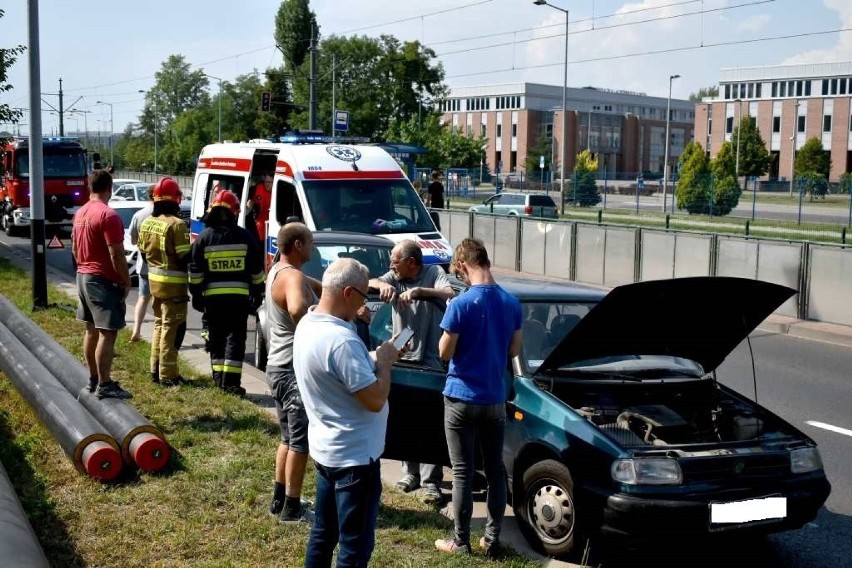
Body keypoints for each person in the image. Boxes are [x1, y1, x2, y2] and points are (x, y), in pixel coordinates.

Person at [293, 258, 404, 568]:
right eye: (363, 295)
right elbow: (374, 400)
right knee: (354, 549)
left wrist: (380, 356)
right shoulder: (341, 339)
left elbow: (339, 367)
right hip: (355, 460)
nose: (364, 303)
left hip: (328, 452)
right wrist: (383, 364)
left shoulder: (310, 322)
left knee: (323, 534)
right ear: (348, 293)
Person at [434, 238, 522, 557]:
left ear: (462, 266)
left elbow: (445, 351)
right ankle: (492, 538)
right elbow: (514, 350)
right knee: (495, 469)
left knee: (462, 471)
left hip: (460, 397)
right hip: (494, 399)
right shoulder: (511, 302)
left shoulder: (461, 303)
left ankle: (460, 542)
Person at [369, 239, 455, 505]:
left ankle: (432, 482)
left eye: (395, 261)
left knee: (429, 420)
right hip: (402, 353)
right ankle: (411, 473)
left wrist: (419, 291)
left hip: (429, 358)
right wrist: (382, 285)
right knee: (406, 415)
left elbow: (450, 293)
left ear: (411, 263)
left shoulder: (433, 273)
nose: (391, 266)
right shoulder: (394, 276)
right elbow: (371, 281)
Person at [265, 222, 322, 524]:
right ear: (298, 245)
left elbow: (307, 285)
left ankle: (280, 499)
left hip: (277, 366)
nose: (312, 247)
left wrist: (326, 291)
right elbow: (299, 310)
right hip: (291, 370)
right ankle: (292, 508)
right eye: (310, 242)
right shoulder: (293, 277)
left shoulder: (279, 271)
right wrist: (326, 317)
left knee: (287, 438)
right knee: (300, 442)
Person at [188, 190, 265, 397]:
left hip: (212, 301)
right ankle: (231, 385)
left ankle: (218, 381)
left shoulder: (204, 238)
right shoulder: (245, 237)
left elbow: (195, 272)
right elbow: (257, 271)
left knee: (216, 339)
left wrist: (196, 295)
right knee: (235, 339)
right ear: (235, 212)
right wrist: (257, 293)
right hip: (238, 301)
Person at [71, 169, 133, 400]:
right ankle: (105, 385)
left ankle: (93, 379)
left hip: (82, 276)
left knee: (91, 329)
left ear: (90, 187)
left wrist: (84, 268)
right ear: (110, 187)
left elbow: (75, 249)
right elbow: (116, 254)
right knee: (107, 333)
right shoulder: (108, 215)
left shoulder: (81, 213)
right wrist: (126, 282)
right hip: (101, 280)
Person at [138, 177, 192, 386]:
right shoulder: (177, 225)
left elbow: (143, 254)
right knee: (172, 328)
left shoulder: (147, 223)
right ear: (175, 199)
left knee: (159, 325)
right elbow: (184, 257)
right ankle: (168, 375)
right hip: (174, 287)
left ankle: (155, 369)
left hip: (154, 283)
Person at [128, 185, 155, 342]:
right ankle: (158, 334)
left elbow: (133, 240)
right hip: (161, 267)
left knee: (143, 298)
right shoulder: (165, 215)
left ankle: (137, 330)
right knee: (159, 301)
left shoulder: (139, 215)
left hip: (144, 265)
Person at [247, 173, 273, 246]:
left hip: (270, 227)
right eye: (266, 182)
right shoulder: (256, 188)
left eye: (269, 182)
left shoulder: (277, 191)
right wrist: (249, 202)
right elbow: (247, 199)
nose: (267, 184)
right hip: (257, 226)